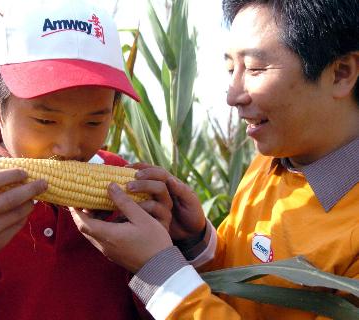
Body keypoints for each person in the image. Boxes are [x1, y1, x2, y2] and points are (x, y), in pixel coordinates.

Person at [70, 0, 359, 319]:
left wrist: (159, 272)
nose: (233, 95)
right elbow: (243, 286)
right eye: (230, 69)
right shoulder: (271, 161)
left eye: (255, 69)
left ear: (341, 73)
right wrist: (196, 241)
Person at [0, 1, 173, 319]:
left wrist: (168, 252)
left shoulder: (125, 189)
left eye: (93, 122)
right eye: (46, 121)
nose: (69, 147)